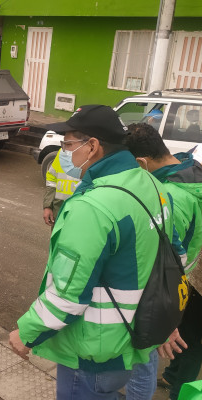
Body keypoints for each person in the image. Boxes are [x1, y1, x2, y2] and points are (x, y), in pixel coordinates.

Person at [8, 105, 176, 399]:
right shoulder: (152, 184)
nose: (65, 151)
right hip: (130, 339)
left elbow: (68, 292)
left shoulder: (93, 207)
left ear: (93, 146)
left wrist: (27, 333)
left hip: (91, 352)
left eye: (69, 144)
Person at [125, 123, 202, 400]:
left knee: (177, 343)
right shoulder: (190, 167)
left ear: (141, 162)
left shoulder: (172, 196)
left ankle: (171, 392)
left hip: (179, 279)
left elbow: (166, 256)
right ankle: (170, 378)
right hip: (190, 276)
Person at [43, 149, 80, 227]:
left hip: (80, 214)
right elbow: (52, 179)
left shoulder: (96, 157)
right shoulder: (63, 152)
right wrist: (48, 206)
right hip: (59, 210)